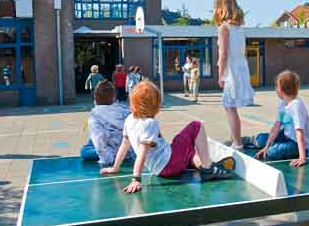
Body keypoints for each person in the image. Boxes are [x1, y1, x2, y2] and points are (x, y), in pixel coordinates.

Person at [100, 81, 236, 192]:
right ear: (155, 104)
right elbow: (142, 152)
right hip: (169, 164)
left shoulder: (129, 119)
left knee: (187, 151)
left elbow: (124, 145)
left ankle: (200, 163)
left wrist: (115, 167)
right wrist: (136, 179)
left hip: (160, 168)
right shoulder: (149, 123)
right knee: (196, 126)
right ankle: (208, 169)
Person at [214, 0, 255, 146]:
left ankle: (237, 142)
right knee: (230, 107)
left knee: (229, 107)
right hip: (240, 68)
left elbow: (223, 53)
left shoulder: (224, 28)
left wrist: (220, 75)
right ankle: (234, 139)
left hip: (231, 71)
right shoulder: (239, 28)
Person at [247, 71, 309, 163]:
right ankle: (252, 140)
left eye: (276, 86)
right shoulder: (283, 104)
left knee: (272, 152)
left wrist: (302, 157)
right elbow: (277, 126)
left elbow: (299, 132)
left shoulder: (296, 106)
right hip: (286, 136)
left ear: (281, 89)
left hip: (297, 144)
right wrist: (266, 146)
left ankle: (274, 146)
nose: (275, 88)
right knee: (263, 139)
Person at [79, 79, 129, 163]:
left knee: (84, 151)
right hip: (125, 148)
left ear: (95, 97)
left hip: (110, 149)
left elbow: (99, 139)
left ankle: (116, 153)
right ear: (114, 96)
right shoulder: (125, 110)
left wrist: (108, 159)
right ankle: (121, 153)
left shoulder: (94, 115)